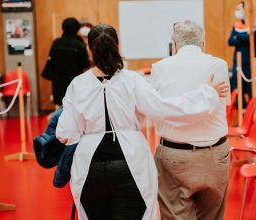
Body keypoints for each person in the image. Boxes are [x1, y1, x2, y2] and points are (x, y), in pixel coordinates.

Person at [55, 24, 229, 220]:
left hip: (89, 169)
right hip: (129, 164)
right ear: (117, 47)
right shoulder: (132, 80)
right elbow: (165, 109)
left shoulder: (77, 84)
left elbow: (64, 133)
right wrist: (207, 94)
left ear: (89, 49)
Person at [149, 20, 231, 220]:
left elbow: (157, 109)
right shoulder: (219, 65)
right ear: (203, 44)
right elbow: (225, 105)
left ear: (174, 46)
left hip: (175, 156)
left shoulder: (160, 67)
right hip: (216, 155)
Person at [41, 17, 90, 106]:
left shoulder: (56, 42)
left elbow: (51, 62)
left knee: (61, 109)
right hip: (74, 83)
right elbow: (85, 64)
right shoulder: (79, 44)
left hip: (58, 83)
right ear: (77, 29)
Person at [228, 1, 256, 109]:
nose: (237, 11)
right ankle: (241, 111)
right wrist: (245, 37)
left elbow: (254, 38)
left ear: (245, 10)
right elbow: (230, 41)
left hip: (250, 62)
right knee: (237, 88)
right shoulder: (236, 25)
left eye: (239, 9)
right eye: (236, 9)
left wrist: (239, 36)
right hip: (237, 62)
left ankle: (252, 111)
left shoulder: (255, 25)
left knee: (251, 88)